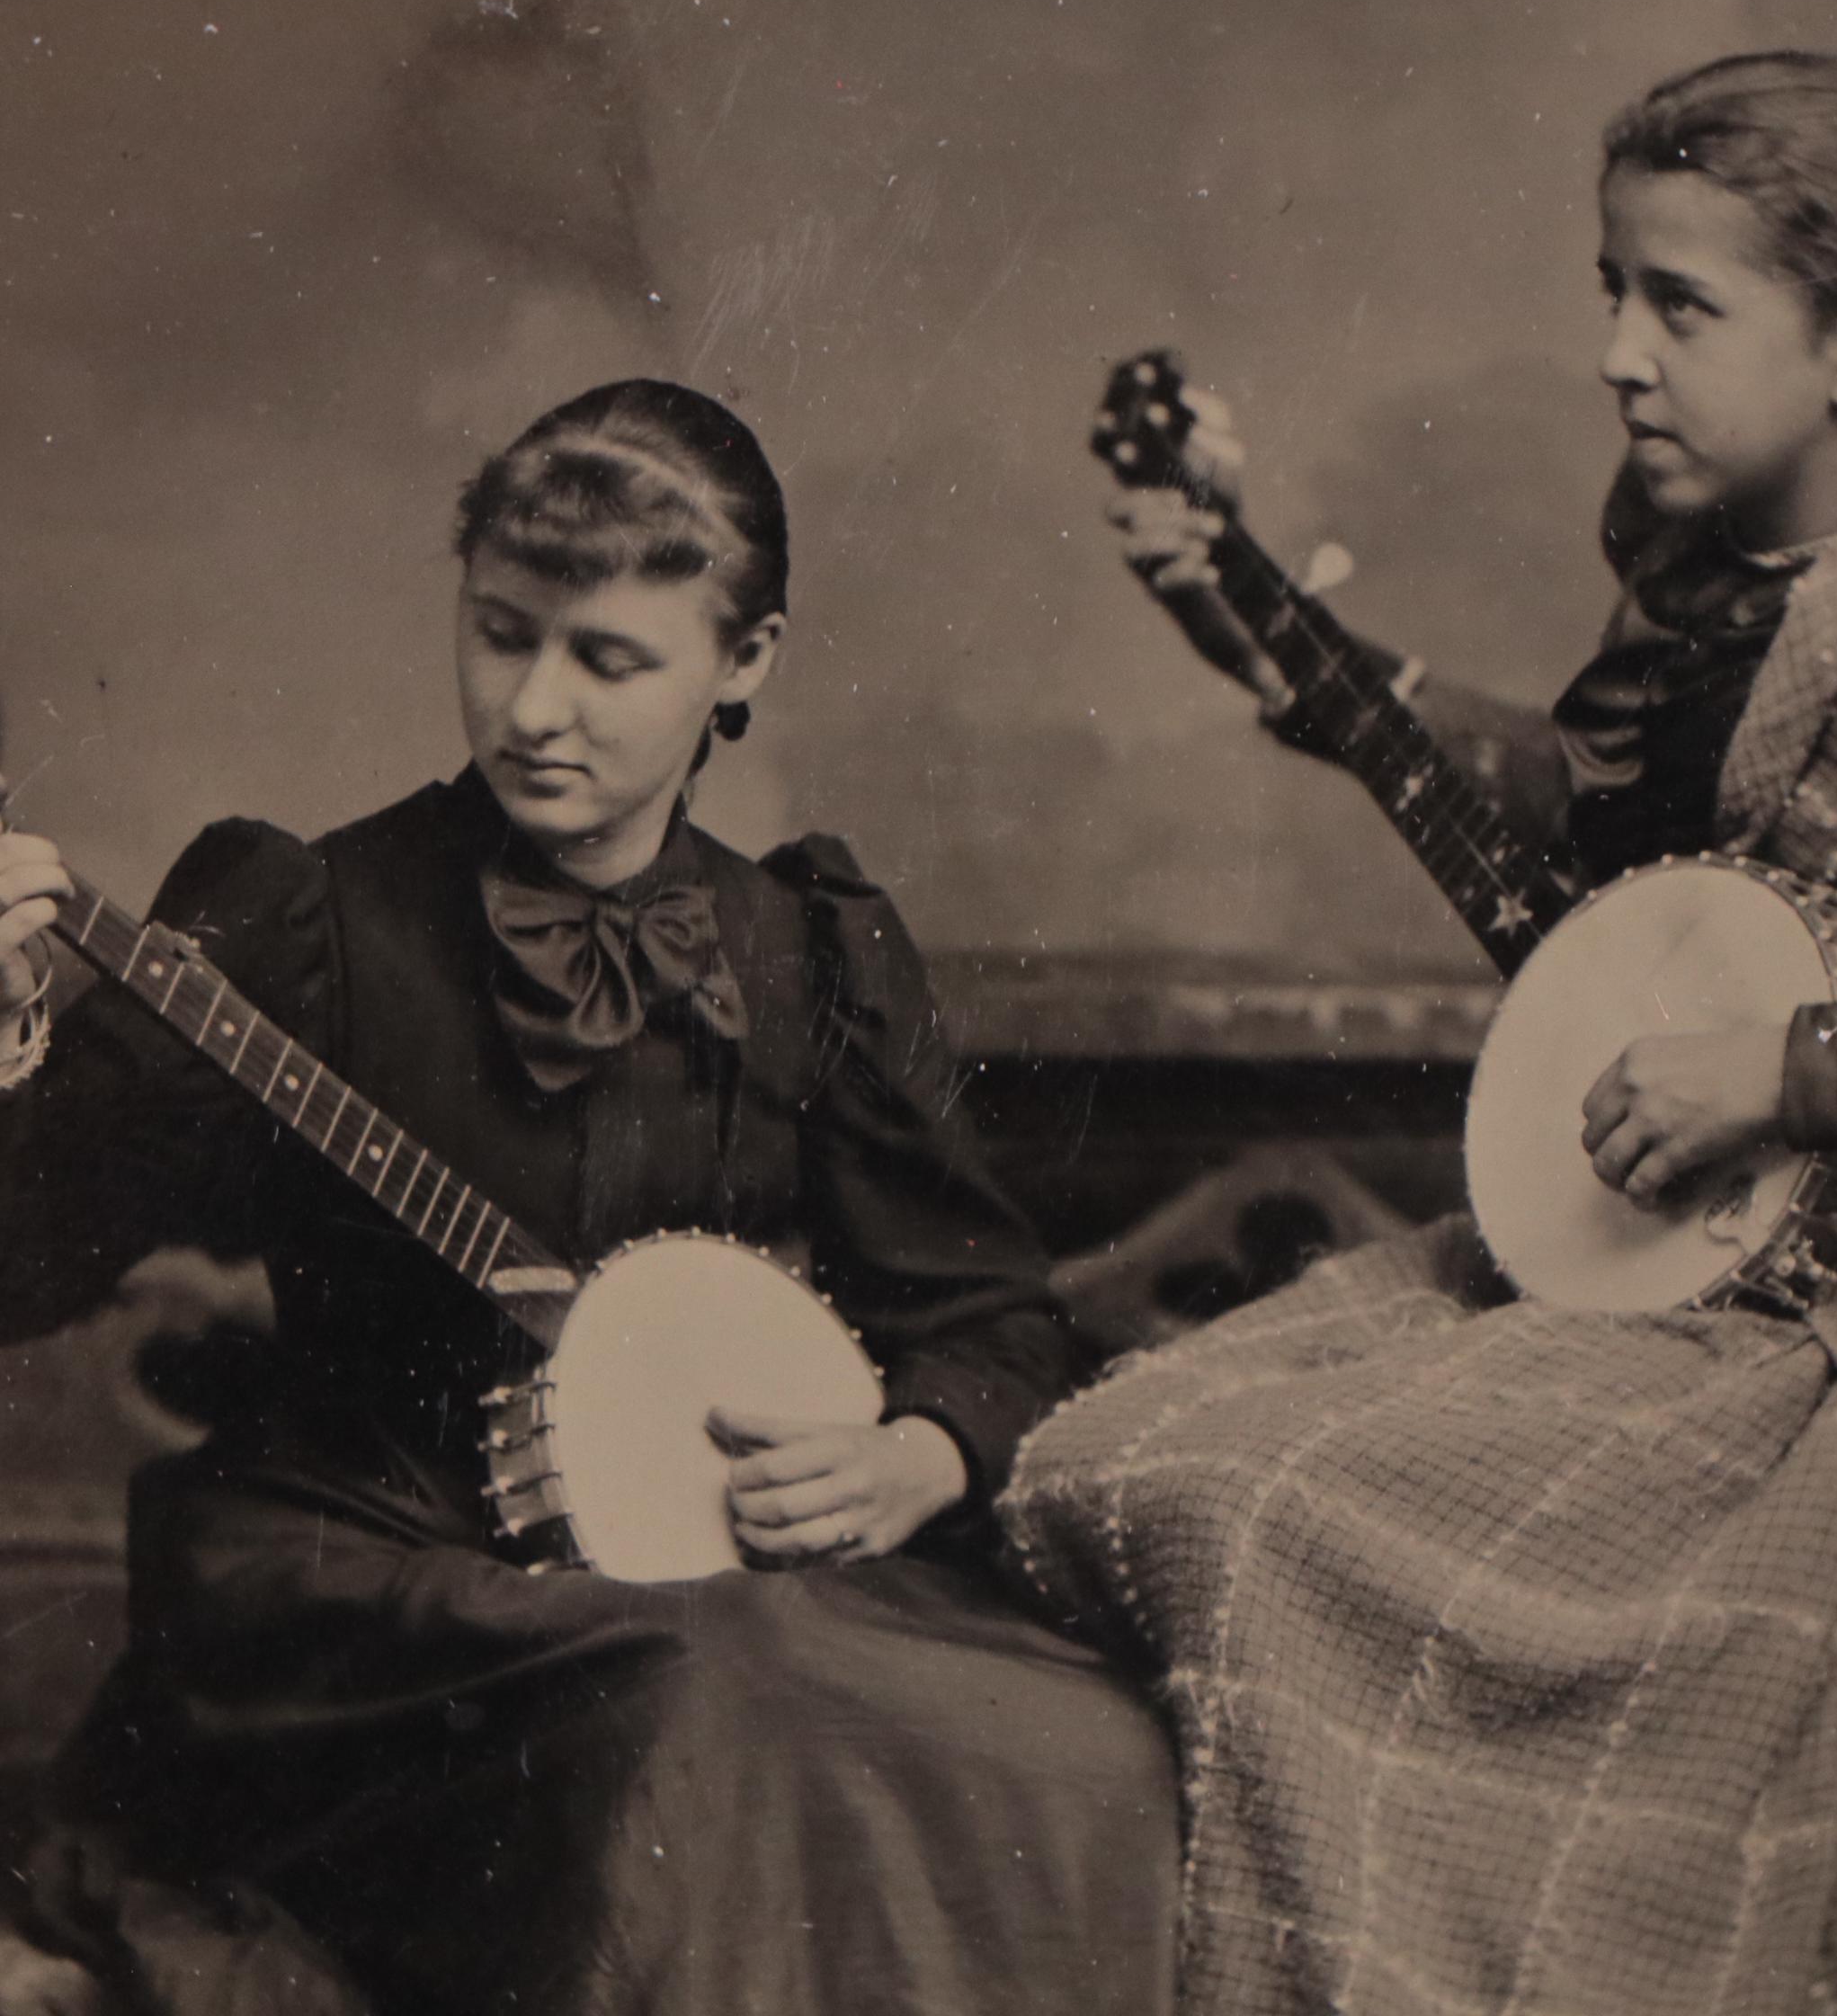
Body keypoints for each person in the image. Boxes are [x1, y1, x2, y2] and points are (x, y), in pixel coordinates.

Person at [1002, 53, 1837, 2016]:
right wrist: (1267, 632)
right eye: (1610, 287)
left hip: (1834, 1291)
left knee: (1241, 1503)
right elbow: (1610, 850)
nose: (1615, 351)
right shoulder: (1707, 578)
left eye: (1676, 305)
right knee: (1102, 1445)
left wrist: (1791, 1072)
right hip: (1645, 1245)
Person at [0, 381, 1178, 2016]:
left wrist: (916, 1454)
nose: (533, 706)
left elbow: (979, 1310)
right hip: (373, 1585)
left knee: (1084, 1751)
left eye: (609, 660)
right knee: (693, 1730)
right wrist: (11, 1039)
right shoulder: (307, 921)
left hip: (709, 1574)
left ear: (742, 664)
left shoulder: (809, 950)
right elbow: (22, 1255)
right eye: (500, 632)